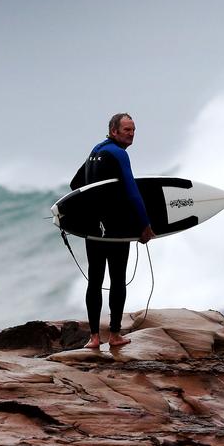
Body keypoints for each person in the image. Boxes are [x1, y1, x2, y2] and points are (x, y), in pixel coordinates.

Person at [70, 113, 156, 350]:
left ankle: (94, 337)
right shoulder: (119, 154)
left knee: (95, 280)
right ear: (114, 131)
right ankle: (115, 335)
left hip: (94, 230)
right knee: (117, 279)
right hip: (116, 229)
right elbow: (132, 190)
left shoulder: (95, 152)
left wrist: (95, 203)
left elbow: (75, 183)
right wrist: (144, 225)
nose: (131, 134)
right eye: (127, 130)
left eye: (133, 130)